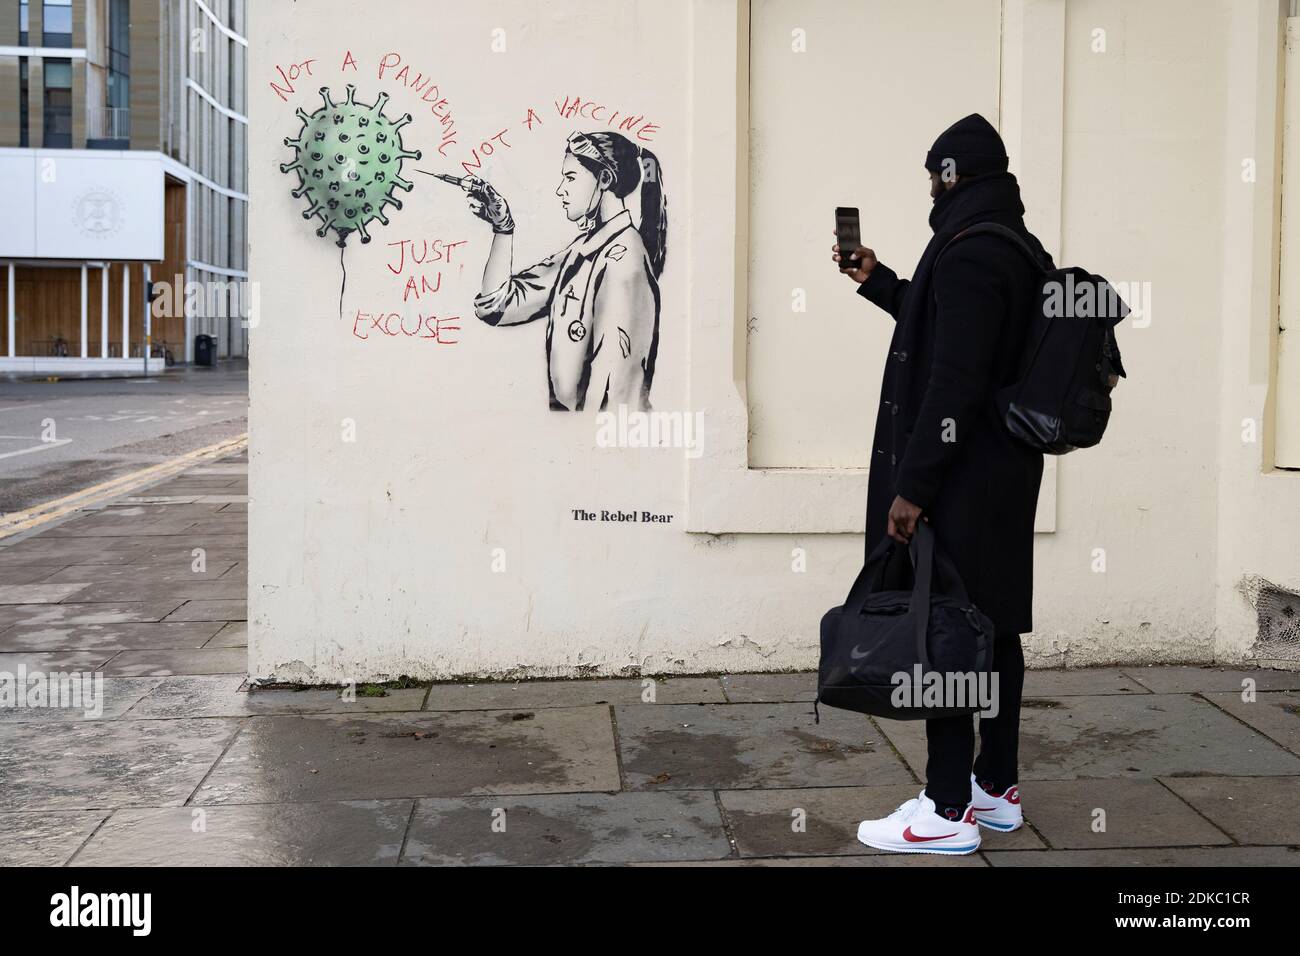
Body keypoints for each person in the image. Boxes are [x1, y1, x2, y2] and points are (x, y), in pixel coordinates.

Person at [832, 114, 1050, 855]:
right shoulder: (1015, 248)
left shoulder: (966, 256)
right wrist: (882, 282)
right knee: (995, 627)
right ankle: (996, 789)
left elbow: (953, 383)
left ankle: (948, 808)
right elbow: (957, 341)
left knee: (947, 632)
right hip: (1005, 473)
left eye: (935, 174)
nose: (929, 187)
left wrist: (913, 486)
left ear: (954, 176)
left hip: (959, 478)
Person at [466, 130, 667, 412]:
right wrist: (503, 227)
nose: (561, 189)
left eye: (570, 177)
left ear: (604, 179)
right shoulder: (581, 253)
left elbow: (617, 399)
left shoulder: (625, 263)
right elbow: (497, 306)